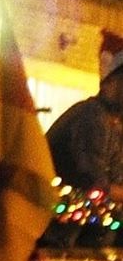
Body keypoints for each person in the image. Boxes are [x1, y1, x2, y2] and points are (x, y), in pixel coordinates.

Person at [46, 32, 123, 202]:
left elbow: (118, 177)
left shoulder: (115, 124)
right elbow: (94, 183)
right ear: (110, 81)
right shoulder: (92, 115)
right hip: (56, 218)